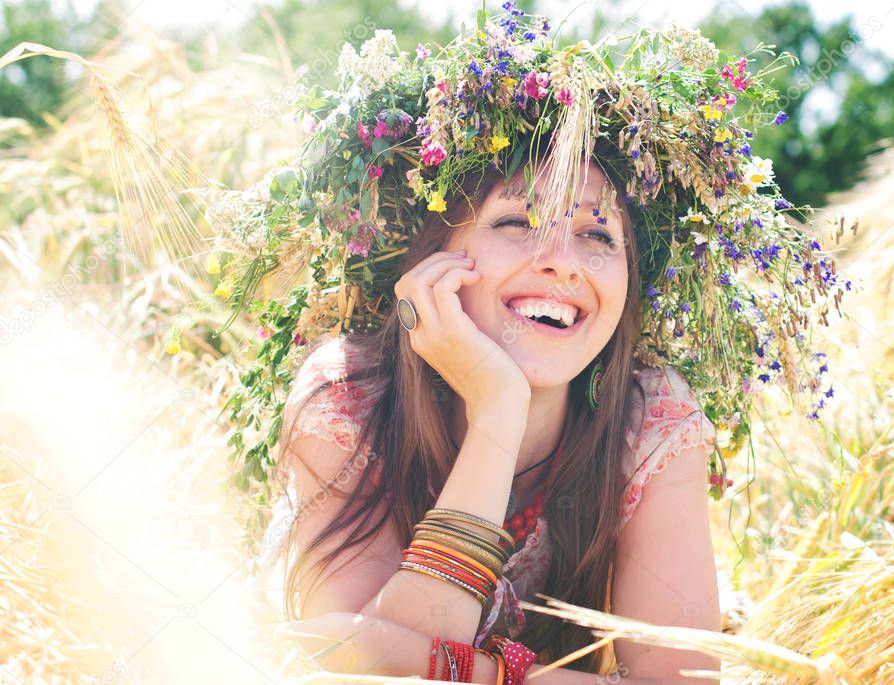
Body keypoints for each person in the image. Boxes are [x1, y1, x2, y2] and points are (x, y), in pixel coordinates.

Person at [209, 4, 842, 681]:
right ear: (429, 258)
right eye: (517, 220)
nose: (561, 262)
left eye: (598, 235)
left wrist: (485, 673)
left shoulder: (650, 425)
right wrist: (498, 408)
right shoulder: (349, 398)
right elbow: (344, 672)